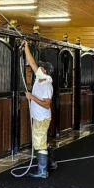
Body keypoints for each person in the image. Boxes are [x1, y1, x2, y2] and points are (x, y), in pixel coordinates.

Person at [22, 41, 56, 178]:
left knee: (39, 141)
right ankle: (51, 163)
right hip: (38, 116)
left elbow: (47, 104)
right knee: (42, 140)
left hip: (42, 117)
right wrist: (26, 47)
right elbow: (31, 62)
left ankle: (42, 172)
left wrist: (32, 97)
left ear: (45, 71)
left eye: (41, 68)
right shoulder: (39, 78)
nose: (38, 68)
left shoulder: (47, 84)